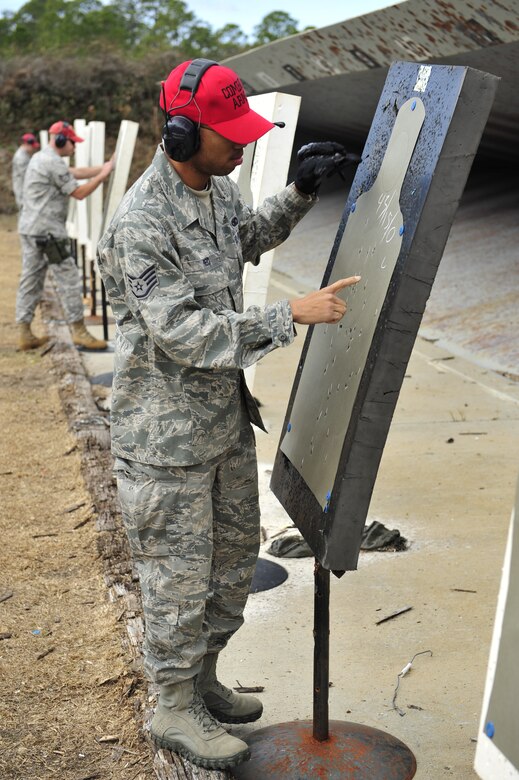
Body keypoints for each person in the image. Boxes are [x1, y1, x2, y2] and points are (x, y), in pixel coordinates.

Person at [97, 58, 360, 770]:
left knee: (228, 565)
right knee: (177, 580)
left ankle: (201, 679)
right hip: (165, 440)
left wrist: (298, 192)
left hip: (219, 423)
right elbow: (183, 332)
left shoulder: (211, 192)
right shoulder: (142, 223)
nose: (241, 145)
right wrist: (287, 316)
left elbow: (242, 238)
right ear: (182, 135)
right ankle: (173, 707)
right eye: (229, 135)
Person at [15, 120, 114, 351]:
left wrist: (104, 167)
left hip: (31, 229)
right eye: (73, 143)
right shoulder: (52, 161)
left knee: (31, 279)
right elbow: (79, 192)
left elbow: (75, 172)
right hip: (49, 233)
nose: (75, 147)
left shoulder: (41, 158)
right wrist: (102, 177)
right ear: (61, 140)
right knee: (69, 279)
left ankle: (24, 332)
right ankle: (79, 331)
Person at [11, 132, 40, 210]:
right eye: (32, 146)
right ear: (26, 144)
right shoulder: (21, 158)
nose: (34, 148)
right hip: (23, 193)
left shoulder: (25, 155)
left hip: (25, 192)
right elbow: (28, 176)